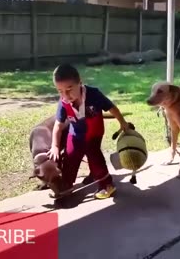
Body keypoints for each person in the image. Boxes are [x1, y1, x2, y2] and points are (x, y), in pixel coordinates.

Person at [47, 63, 129, 199]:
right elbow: (58, 125)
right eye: (60, 91)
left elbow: (112, 108)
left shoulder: (93, 94)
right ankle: (66, 185)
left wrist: (123, 122)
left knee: (94, 158)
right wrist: (54, 146)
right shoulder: (63, 102)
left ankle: (107, 185)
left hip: (94, 133)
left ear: (80, 83)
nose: (65, 95)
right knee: (70, 157)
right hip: (75, 135)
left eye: (69, 89)